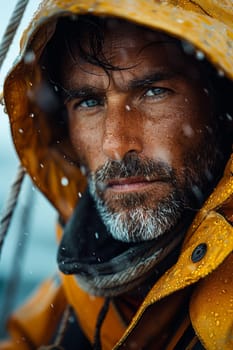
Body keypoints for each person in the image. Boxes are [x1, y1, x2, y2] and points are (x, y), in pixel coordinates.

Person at [1, 0, 233, 349]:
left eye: (154, 92)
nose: (115, 144)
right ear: (65, 128)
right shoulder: (83, 274)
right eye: (89, 102)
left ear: (221, 106)